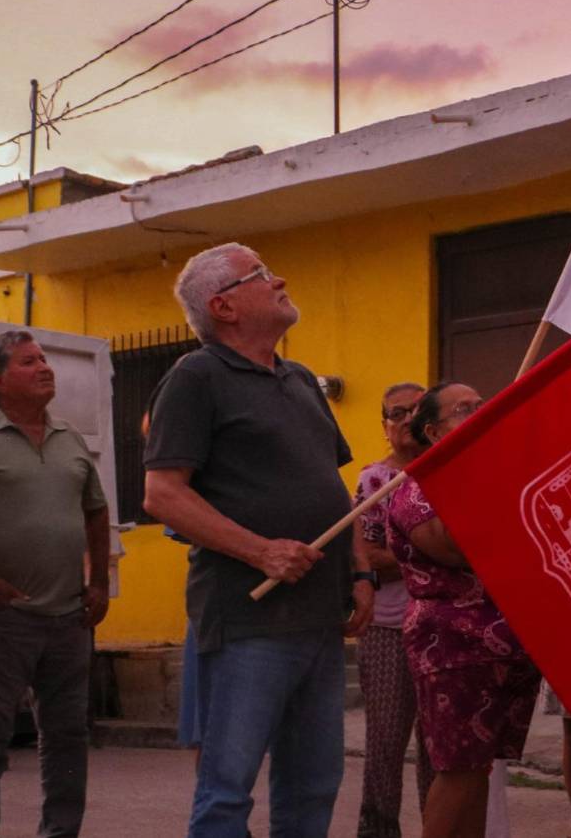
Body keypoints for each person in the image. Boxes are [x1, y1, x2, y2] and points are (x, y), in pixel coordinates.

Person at [143, 243, 374, 838]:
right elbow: (163, 495)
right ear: (223, 306)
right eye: (262, 274)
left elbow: (332, 487)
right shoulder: (196, 376)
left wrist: (360, 573)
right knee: (227, 790)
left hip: (319, 618)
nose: (280, 279)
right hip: (249, 622)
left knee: (314, 784)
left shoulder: (299, 379)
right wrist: (261, 551)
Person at [0, 330, 111, 838]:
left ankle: (60, 832)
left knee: (68, 736)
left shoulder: (69, 437)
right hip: (1, 618)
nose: (45, 367)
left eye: (45, 359)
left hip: (69, 617)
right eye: (30, 362)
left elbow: (95, 510)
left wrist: (99, 583)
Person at [386, 382, 540, 838]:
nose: (479, 412)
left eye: (480, 405)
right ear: (433, 431)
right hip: (453, 647)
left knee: (479, 772)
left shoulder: (497, 473)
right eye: (463, 410)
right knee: (458, 772)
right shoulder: (417, 488)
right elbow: (456, 547)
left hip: (505, 644)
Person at [355, 381, 436, 838]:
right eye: (397, 413)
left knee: (439, 747)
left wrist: (402, 552)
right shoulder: (373, 482)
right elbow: (366, 555)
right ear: (385, 426)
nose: (407, 419)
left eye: (417, 410)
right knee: (386, 743)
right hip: (388, 629)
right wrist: (435, 553)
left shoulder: (451, 470)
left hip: (446, 628)